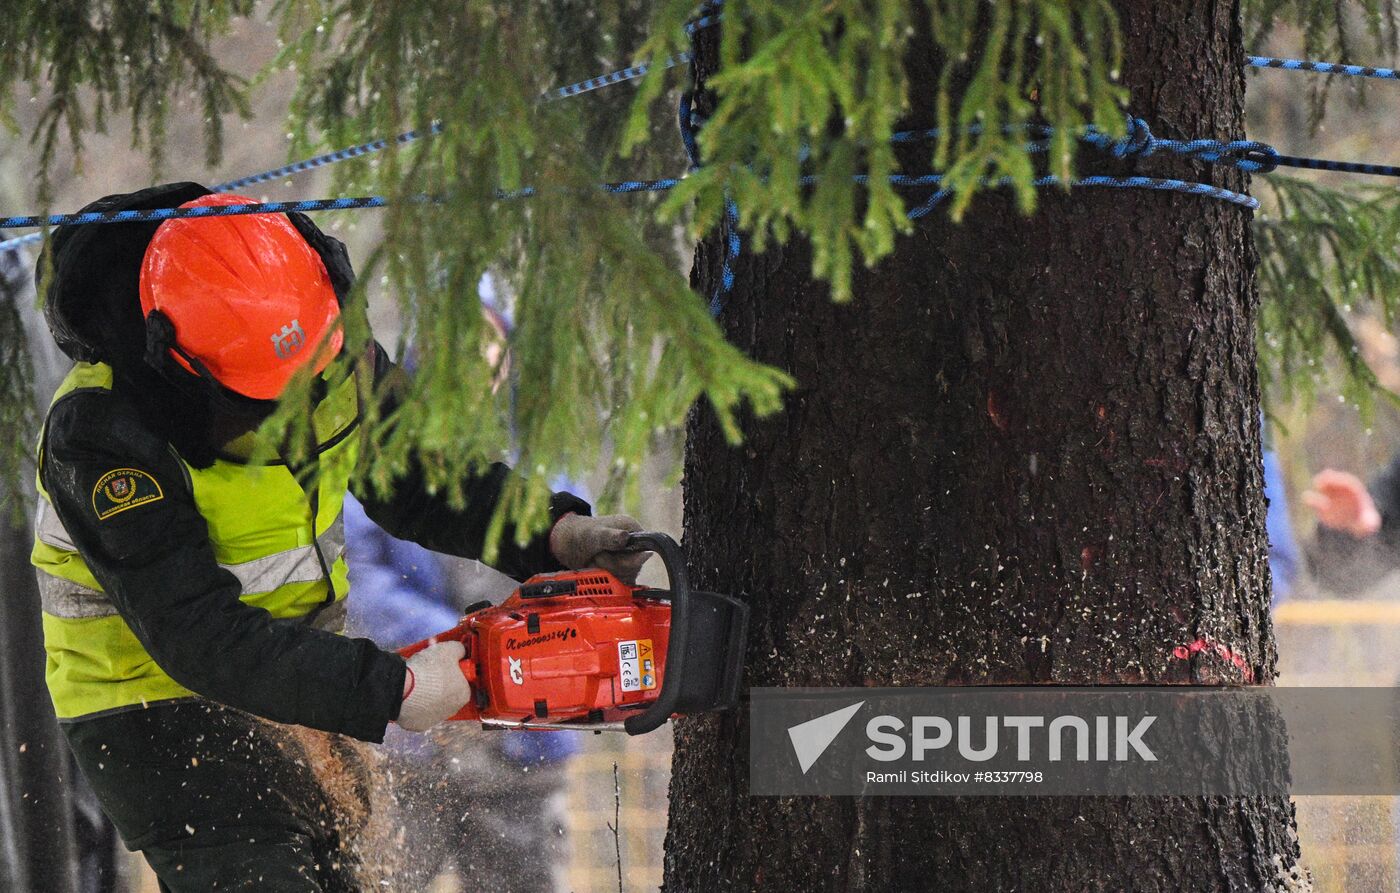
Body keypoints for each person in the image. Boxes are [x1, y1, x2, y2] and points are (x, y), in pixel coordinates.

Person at [28, 182, 650, 891]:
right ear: (182, 365)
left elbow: (419, 473)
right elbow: (196, 633)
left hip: (301, 665)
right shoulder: (102, 432)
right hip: (152, 701)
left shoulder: (324, 341)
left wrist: (554, 532)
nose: (300, 410)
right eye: (267, 401)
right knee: (260, 871)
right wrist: (393, 686)